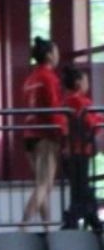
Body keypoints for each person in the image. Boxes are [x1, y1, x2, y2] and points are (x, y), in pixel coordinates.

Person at [22, 37, 65, 230]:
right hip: (45, 134)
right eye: (55, 52)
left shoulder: (30, 79)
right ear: (49, 55)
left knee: (42, 184)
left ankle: (47, 227)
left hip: (29, 135)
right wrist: (62, 132)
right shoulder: (49, 78)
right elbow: (54, 108)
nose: (58, 55)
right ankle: (23, 225)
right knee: (44, 184)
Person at [61, 65, 102, 232]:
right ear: (78, 82)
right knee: (81, 188)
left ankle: (90, 220)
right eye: (85, 80)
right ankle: (78, 221)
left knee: (79, 188)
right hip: (80, 150)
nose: (87, 84)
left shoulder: (66, 101)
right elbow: (92, 124)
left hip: (70, 151)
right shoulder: (80, 101)